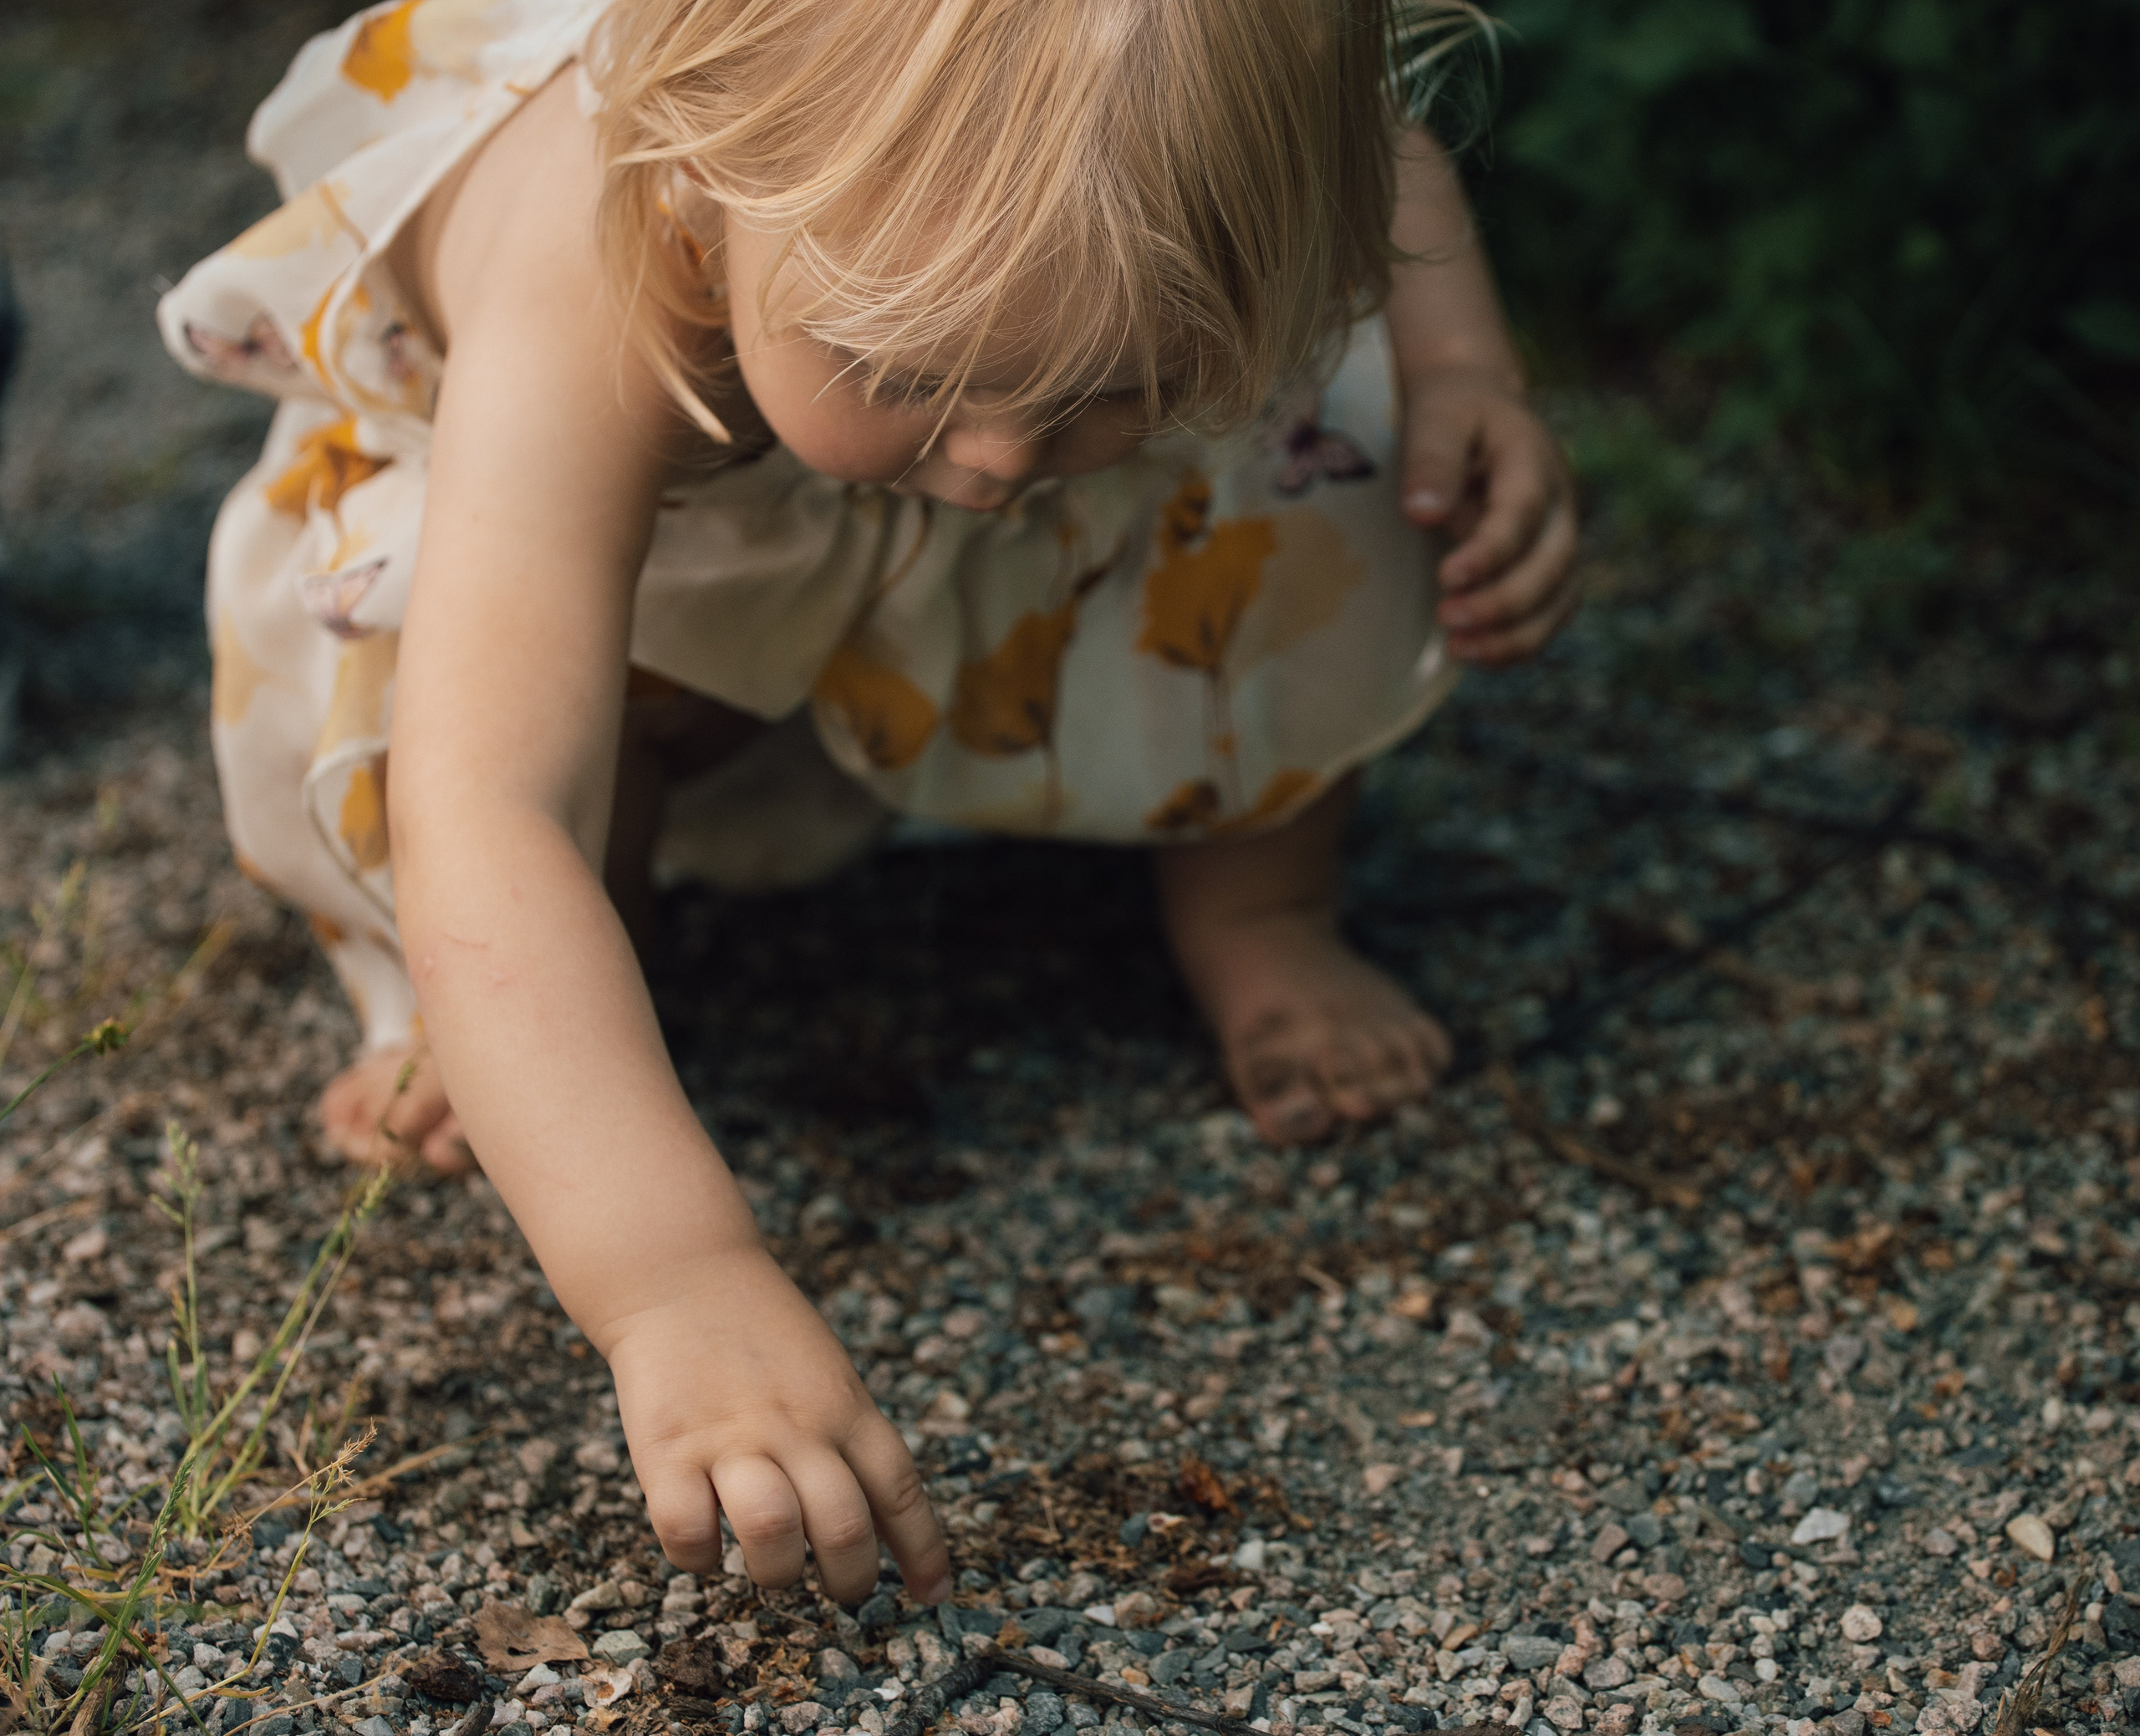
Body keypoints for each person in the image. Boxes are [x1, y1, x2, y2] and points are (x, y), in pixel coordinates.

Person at [159, 0, 1578, 1599]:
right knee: (522, 803)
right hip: (640, 553)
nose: (998, 454)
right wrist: (674, 1279)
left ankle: (1262, 901)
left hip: (868, 489)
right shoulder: (589, 253)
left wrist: (1467, 374)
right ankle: (526, 1034)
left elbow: (1373, 144)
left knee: (1324, 441)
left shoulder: (1182, 160)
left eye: (1125, 379)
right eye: (906, 364)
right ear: (710, 170)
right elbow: (495, 800)